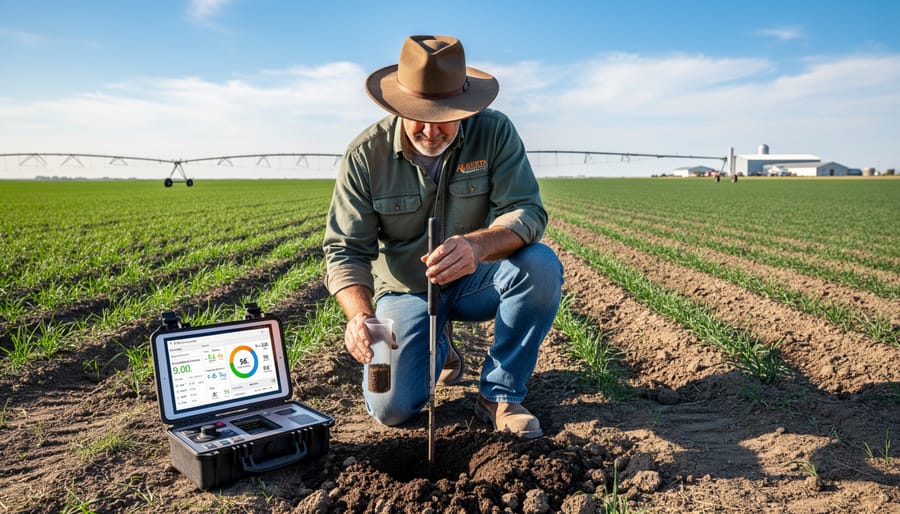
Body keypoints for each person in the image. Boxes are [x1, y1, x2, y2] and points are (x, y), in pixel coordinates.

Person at [323, 35, 563, 439]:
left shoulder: (495, 132)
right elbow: (344, 249)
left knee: (540, 266)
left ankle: (499, 394)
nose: (431, 130)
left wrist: (476, 245)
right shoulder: (366, 153)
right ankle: (436, 345)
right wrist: (360, 316)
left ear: (466, 106)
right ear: (397, 105)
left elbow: (528, 210)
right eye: (418, 114)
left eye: (445, 115)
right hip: (403, 291)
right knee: (388, 405)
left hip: (476, 277)